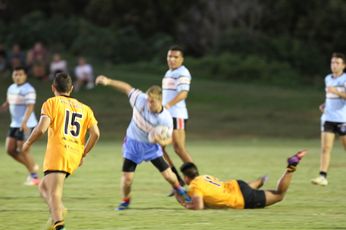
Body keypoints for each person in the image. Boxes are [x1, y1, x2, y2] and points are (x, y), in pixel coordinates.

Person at [95, 75, 191, 211]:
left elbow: (169, 138)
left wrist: (161, 140)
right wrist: (108, 81)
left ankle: (178, 189)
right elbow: (126, 88)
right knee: (127, 179)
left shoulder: (166, 119)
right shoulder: (140, 99)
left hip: (151, 147)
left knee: (169, 176)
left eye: (152, 102)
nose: (148, 103)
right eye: (148, 100)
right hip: (133, 143)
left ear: (160, 101)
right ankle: (125, 200)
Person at [22, 72, 100, 230]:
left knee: (54, 194)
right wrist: (83, 153)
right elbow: (96, 134)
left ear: (53, 88)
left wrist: (28, 142)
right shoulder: (85, 108)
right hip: (74, 155)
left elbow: (42, 128)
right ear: (71, 88)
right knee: (43, 187)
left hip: (59, 153)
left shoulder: (51, 103)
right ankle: (58, 210)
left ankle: (59, 225)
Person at [175, 150, 307, 210]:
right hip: (238, 185)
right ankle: (259, 181)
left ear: (186, 177)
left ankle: (291, 166)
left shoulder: (194, 187)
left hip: (240, 198)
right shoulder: (204, 177)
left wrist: (186, 204)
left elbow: (199, 206)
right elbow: (210, 198)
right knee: (249, 188)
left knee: (279, 195)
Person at [0, 66, 40, 185]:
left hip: (27, 124)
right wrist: (4, 106)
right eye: (15, 74)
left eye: (20, 74)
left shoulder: (29, 89)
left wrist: (24, 122)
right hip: (15, 124)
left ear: (25, 76)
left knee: (23, 150)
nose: (17, 77)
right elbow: (9, 101)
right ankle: (32, 166)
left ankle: (34, 177)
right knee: (10, 150)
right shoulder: (11, 88)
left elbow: (30, 107)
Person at [311, 52, 346, 186]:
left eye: (337, 63)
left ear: (343, 65)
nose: (334, 65)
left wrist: (336, 91)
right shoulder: (328, 78)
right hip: (328, 118)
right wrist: (325, 105)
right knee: (325, 148)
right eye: (332, 62)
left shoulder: (345, 79)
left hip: (343, 119)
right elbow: (330, 97)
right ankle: (322, 176)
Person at [161, 45, 193, 187]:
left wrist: (167, 105)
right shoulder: (169, 73)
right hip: (166, 116)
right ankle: (177, 180)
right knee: (158, 149)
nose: (172, 59)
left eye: (175, 57)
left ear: (182, 59)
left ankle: (197, 180)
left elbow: (183, 93)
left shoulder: (183, 73)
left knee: (179, 148)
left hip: (177, 115)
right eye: (169, 56)